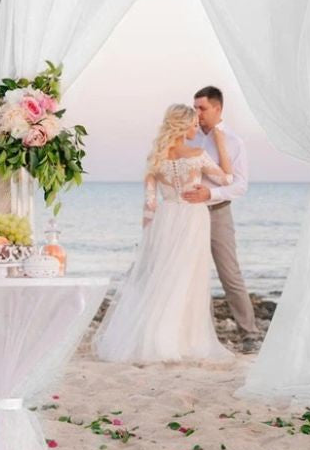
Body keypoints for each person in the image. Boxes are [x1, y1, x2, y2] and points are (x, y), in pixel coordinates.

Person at [94, 104, 234, 362]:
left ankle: (154, 338)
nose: (196, 128)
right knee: (187, 280)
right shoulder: (198, 154)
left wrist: (148, 237)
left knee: (162, 277)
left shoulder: (156, 158)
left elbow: (149, 205)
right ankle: (179, 342)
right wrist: (221, 143)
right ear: (182, 127)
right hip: (192, 218)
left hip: (166, 218)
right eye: (193, 124)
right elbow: (227, 179)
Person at [183, 86, 260, 345]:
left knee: (230, 274)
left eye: (202, 108)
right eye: (195, 108)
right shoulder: (188, 137)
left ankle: (249, 333)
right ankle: (201, 336)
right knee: (192, 276)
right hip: (189, 214)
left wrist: (210, 195)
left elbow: (239, 185)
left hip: (217, 212)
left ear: (218, 109)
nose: (197, 113)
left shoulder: (234, 142)